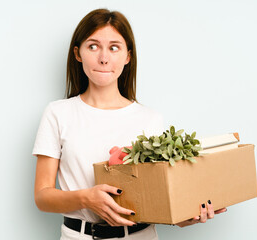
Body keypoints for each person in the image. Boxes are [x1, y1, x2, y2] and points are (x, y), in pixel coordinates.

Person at [32, 8, 227, 240]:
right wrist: (87, 198)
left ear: (127, 56)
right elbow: (42, 197)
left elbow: (156, 199)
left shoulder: (150, 119)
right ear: (77, 53)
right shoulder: (58, 113)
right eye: (93, 46)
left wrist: (185, 215)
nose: (104, 57)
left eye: (114, 47)